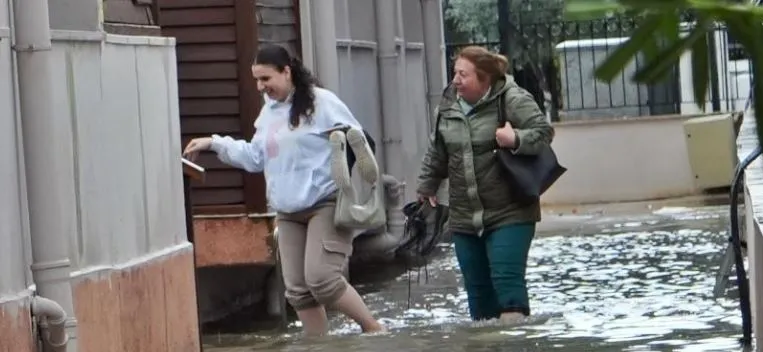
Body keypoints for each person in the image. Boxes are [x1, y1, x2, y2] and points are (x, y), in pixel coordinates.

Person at [183, 44, 385, 335]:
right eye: (256, 80)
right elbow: (255, 157)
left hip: (324, 203)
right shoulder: (269, 113)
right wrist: (215, 143)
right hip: (288, 211)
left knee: (323, 280)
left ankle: (373, 329)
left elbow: (362, 142)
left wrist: (347, 170)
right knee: (298, 291)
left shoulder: (322, 102)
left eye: (266, 79)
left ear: (286, 71)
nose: (261, 86)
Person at [416, 46, 554, 324]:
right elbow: (438, 151)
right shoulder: (448, 105)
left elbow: (544, 132)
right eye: (455, 73)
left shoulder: (512, 99)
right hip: (465, 217)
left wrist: (515, 138)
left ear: (484, 79)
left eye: (463, 75)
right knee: (478, 298)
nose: (455, 80)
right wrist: (426, 185)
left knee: (507, 285)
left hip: (510, 211)